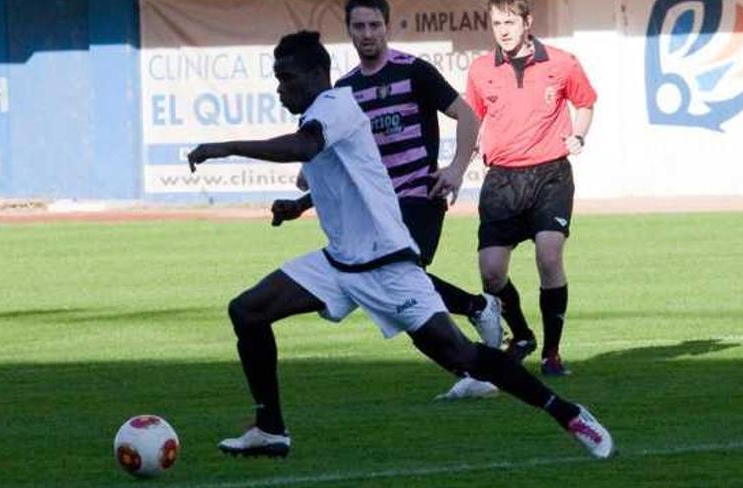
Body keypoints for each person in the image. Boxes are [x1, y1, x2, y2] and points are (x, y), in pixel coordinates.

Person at [187, 30, 613, 460]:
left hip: (389, 267)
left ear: (318, 74)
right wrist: (300, 205)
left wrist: (225, 147)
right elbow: (350, 177)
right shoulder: (324, 112)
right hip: (339, 264)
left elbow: (305, 146)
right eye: (277, 79)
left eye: (286, 77)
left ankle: (567, 412)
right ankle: (271, 429)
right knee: (247, 310)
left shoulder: (333, 106)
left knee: (463, 356)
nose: (280, 88)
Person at [273, 0, 503, 399]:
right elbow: (344, 168)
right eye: (359, 26)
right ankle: (475, 332)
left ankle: (476, 329)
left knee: (397, 277)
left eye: (374, 25)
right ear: (349, 30)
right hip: (375, 206)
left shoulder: (413, 71)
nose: (367, 33)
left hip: (419, 192)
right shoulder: (344, 90)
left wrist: (455, 169)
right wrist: (303, 202)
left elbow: (468, 116)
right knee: (396, 287)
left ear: (387, 26)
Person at [466, 0, 597, 375]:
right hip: (502, 180)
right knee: (491, 273)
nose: (503, 30)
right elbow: (472, 117)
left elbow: (585, 103)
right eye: (496, 23)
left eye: (509, 21)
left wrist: (579, 136)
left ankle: (551, 353)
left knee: (549, 256)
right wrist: (467, 151)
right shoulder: (479, 70)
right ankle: (522, 335)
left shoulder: (561, 62)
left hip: (550, 176)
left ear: (527, 22)